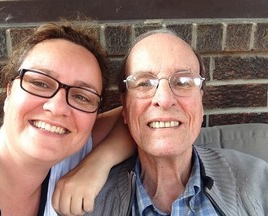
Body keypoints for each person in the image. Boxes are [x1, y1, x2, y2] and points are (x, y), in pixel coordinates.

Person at [54, 29, 268, 216]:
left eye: (183, 82)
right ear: (125, 109)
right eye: (144, 83)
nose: (164, 99)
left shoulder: (258, 180)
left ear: (201, 101)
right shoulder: (89, 203)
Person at [0, 21, 135, 216]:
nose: (57, 107)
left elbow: (140, 117)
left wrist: (98, 163)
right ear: (9, 91)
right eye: (40, 83)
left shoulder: (68, 158)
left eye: (81, 96)